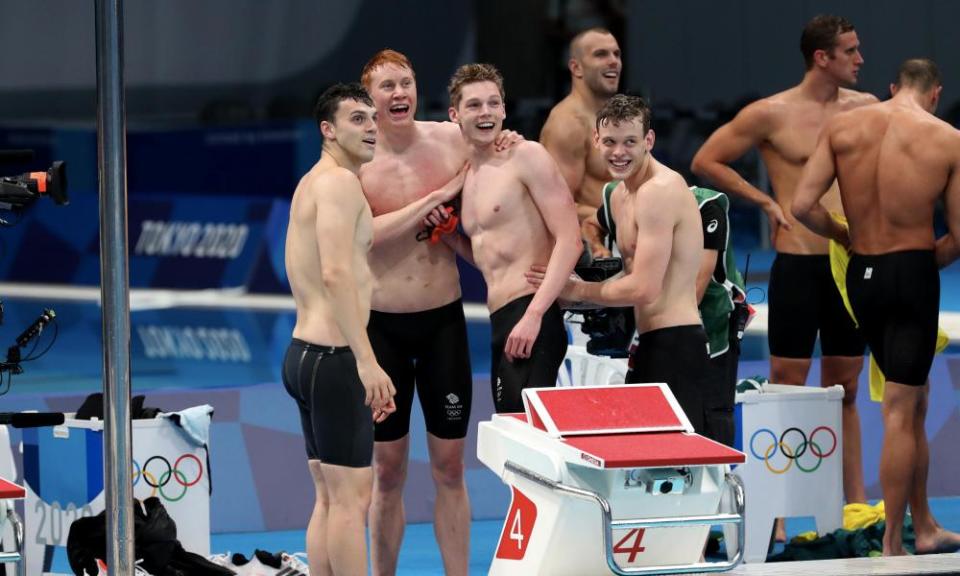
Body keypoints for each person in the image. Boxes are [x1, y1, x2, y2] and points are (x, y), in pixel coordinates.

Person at [691, 14, 878, 510]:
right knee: (786, 387)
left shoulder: (868, 109)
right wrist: (767, 202)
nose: (862, 60)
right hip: (798, 266)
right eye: (851, 50)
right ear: (823, 57)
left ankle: (854, 507)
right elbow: (707, 160)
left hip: (850, 267)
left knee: (847, 390)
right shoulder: (771, 113)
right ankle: (774, 512)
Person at [358, 49, 518, 576]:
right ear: (369, 99)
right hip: (382, 327)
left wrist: (510, 143)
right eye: (387, 87)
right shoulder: (358, 158)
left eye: (405, 82)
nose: (399, 93)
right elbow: (361, 239)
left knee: (451, 466)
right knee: (388, 469)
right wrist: (436, 199)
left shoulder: (450, 140)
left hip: (442, 323)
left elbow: (499, 148)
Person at [792, 58, 960, 556]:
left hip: (862, 275)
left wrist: (845, 234)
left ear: (892, 87)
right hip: (911, 274)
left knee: (913, 402)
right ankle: (893, 541)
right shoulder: (947, 137)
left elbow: (803, 206)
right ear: (935, 94)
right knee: (901, 410)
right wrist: (925, 262)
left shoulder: (843, 127)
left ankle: (924, 524)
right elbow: (958, 236)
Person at [532, 94, 710, 435]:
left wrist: (574, 290)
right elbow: (592, 233)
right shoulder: (616, 194)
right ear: (596, 141)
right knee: (640, 468)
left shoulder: (659, 191)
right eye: (610, 142)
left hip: (677, 344)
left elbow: (644, 287)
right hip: (644, 342)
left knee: (679, 469)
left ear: (649, 141)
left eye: (630, 142)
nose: (619, 152)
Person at [281, 83, 396, 576]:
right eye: (357, 119)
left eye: (373, 117)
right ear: (328, 130)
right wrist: (367, 363)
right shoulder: (341, 185)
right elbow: (336, 273)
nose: (371, 127)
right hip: (336, 360)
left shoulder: (313, 181)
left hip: (303, 353)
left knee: (328, 497)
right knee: (352, 502)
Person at [445, 63, 581, 413]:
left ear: (505, 109)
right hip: (502, 318)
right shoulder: (468, 178)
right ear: (455, 114)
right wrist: (450, 238)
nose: (486, 112)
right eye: (474, 105)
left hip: (531, 313)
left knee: (527, 444)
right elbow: (489, 257)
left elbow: (570, 239)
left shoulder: (526, 156)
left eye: (493, 103)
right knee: (513, 442)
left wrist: (535, 315)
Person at [540, 27, 623, 257]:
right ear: (576, 67)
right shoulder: (568, 124)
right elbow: (556, 205)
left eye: (616, 54)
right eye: (601, 54)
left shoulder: (614, 116)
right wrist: (623, 214)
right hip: (591, 251)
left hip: (620, 239)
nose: (613, 61)